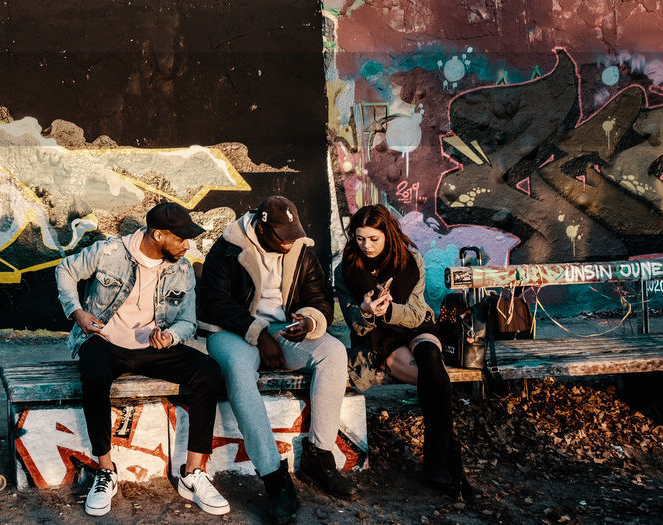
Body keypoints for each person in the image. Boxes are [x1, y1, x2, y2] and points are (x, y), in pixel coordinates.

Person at [56, 201, 230, 517]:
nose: (186, 245)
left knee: (208, 371)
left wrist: (170, 336)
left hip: (154, 348)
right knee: (93, 373)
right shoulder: (109, 252)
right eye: (180, 238)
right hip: (105, 341)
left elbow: (188, 322)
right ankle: (105, 471)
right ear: (158, 234)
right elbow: (65, 269)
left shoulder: (182, 268)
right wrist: (77, 311)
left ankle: (192, 474)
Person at [199, 195, 355, 525]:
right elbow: (214, 303)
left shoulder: (300, 249)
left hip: (283, 331)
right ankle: (275, 478)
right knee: (240, 373)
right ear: (262, 225)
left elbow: (319, 298)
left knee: (333, 352)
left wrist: (309, 322)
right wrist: (259, 333)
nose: (288, 242)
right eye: (282, 235)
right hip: (233, 331)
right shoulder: (228, 247)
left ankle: (319, 456)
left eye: (293, 234)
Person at [335, 205, 477, 500]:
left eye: (374, 239)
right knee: (436, 383)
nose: (367, 246)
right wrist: (365, 311)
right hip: (380, 339)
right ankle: (450, 464)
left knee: (431, 360)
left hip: (413, 325)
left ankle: (442, 465)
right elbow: (356, 326)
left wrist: (388, 310)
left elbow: (416, 314)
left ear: (387, 233)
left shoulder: (411, 261)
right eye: (360, 239)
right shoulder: (346, 270)